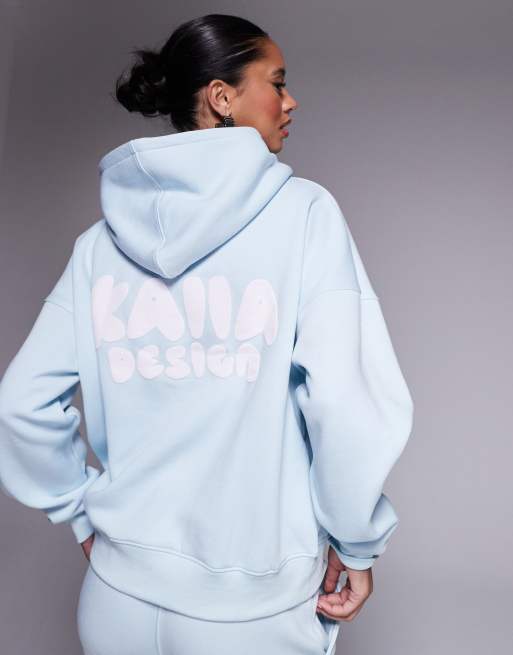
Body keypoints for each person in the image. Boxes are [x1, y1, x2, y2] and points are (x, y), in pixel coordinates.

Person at [0, 13, 414, 655]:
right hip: (252, 612)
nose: (291, 101)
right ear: (222, 97)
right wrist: (357, 543)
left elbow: (20, 402)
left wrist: (79, 516)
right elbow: (345, 403)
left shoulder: (98, 246)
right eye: (277, 82)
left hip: (116, 601)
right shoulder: (305, 216)